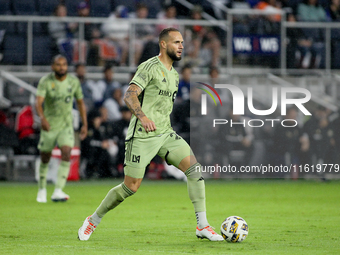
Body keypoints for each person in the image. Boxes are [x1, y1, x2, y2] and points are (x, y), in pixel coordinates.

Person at [78, 27, 224, 241]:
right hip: (142, 136)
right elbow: (130, 95)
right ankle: (93, 219)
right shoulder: (149, 67)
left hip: (165, 133)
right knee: (131, 187)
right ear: (163, 44)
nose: (181, 46)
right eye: (176, 42)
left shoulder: (174, 75)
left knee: (194, 170)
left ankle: (202, 225)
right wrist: (143, 117)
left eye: (182, 42)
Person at [35, 55, 88, 203]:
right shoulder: (46, 81)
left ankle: (58, 190)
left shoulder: (73, 81)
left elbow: (80, 103)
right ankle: (42, 188)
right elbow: (38, 103)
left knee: (66, 152)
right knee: (45, 156)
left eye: (64, 64)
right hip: (49, 124)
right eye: (58, 65)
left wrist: (85, 124)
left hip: (66, 124)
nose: (61, 67)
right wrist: (43, 119)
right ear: (53, 67)